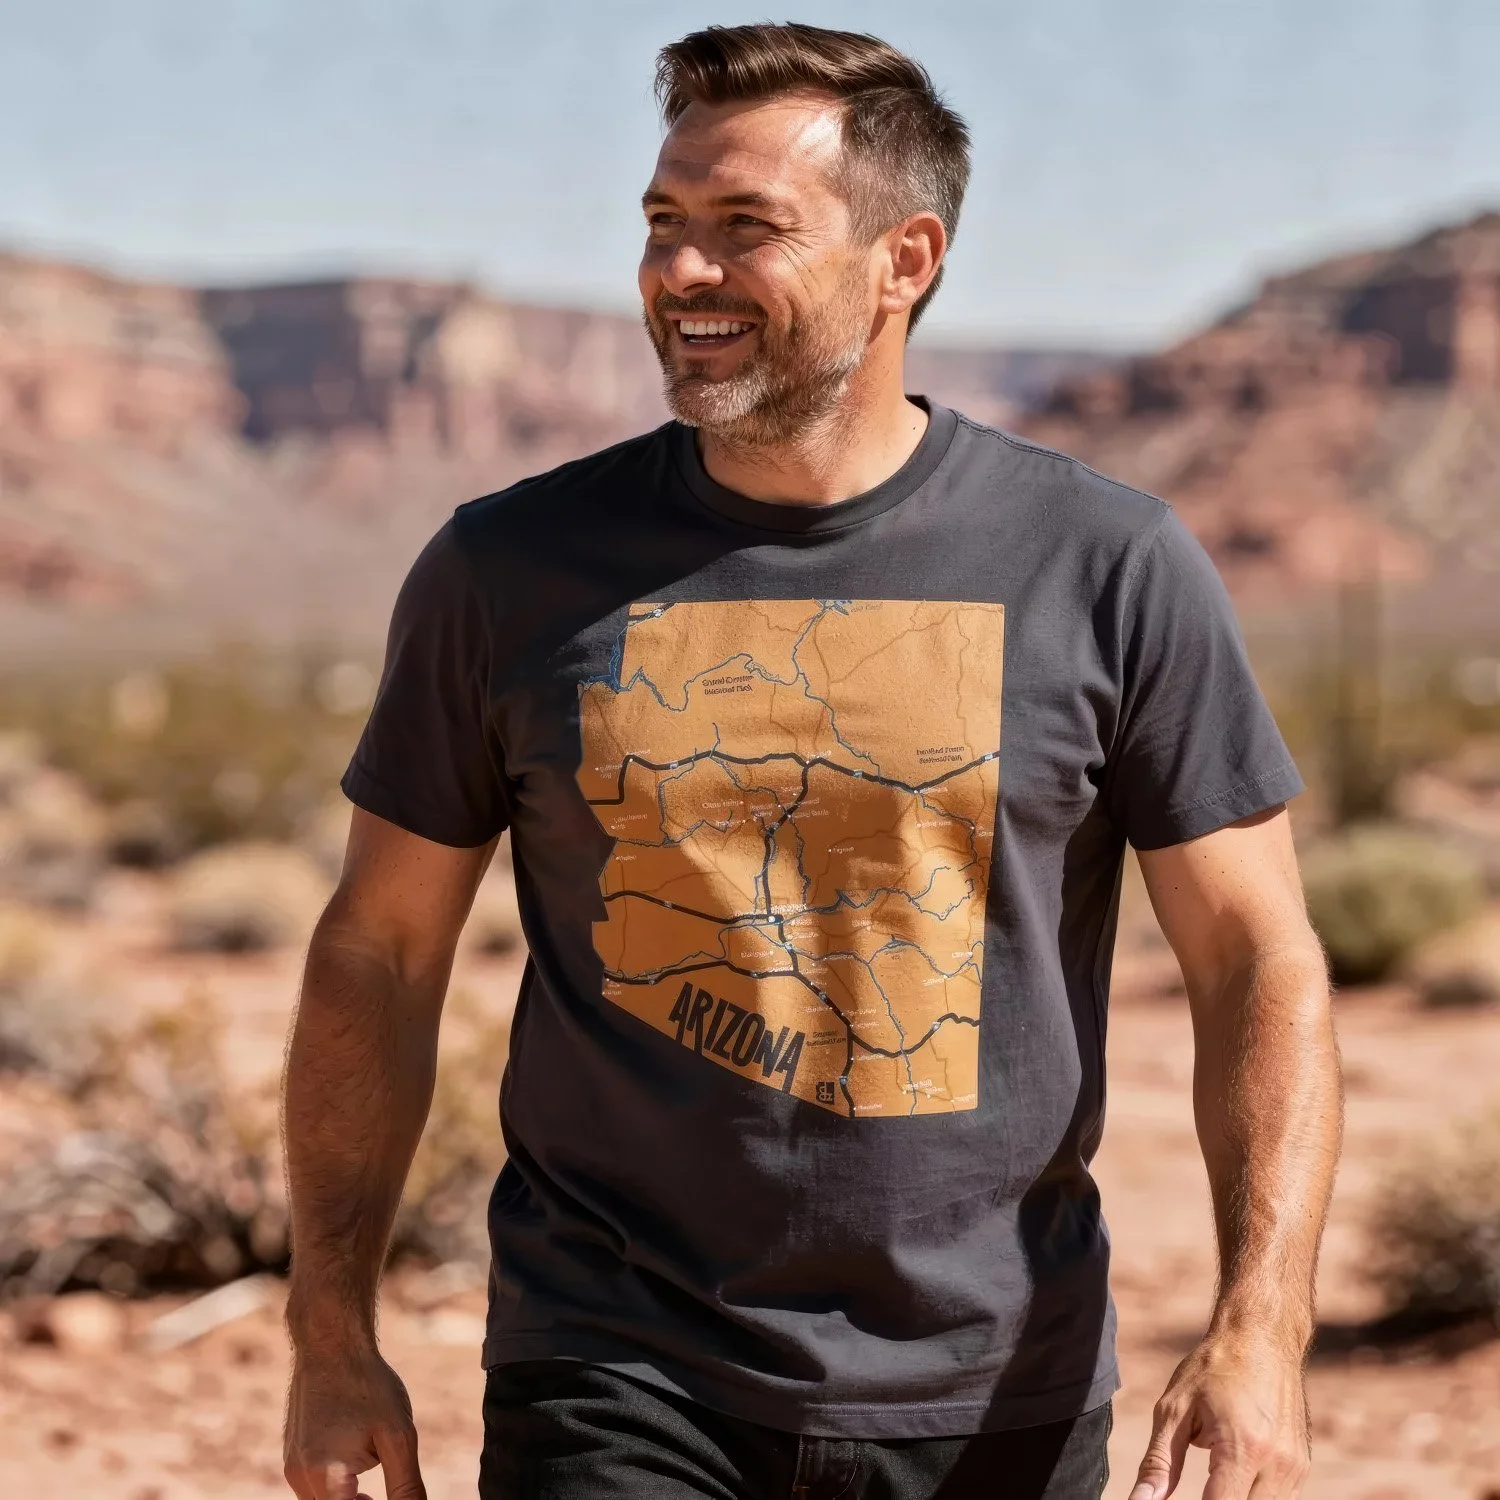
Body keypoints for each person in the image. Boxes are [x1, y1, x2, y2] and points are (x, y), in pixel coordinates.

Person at [281, 22, 1342, 1500]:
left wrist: (1263, 1326)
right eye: (663, 223)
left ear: (905, 260)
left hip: (996, 1388)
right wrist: (330, 1332)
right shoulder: (509, 567)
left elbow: (1256, 960)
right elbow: (379, 954)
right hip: (616, 1363)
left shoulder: (1104, 564)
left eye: (744, 229)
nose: (681, 274)